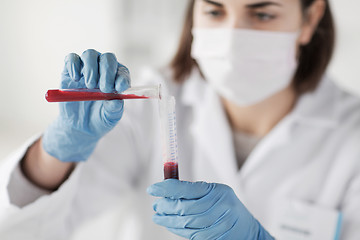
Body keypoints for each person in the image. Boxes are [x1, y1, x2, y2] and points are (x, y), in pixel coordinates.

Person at [1, 0, 359, 239]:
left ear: (310, 19)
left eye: (263, 14)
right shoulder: (142, 107)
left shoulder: (351, 135)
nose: (232, 39)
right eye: (215, 12)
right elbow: (24, 231)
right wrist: (59, 149)